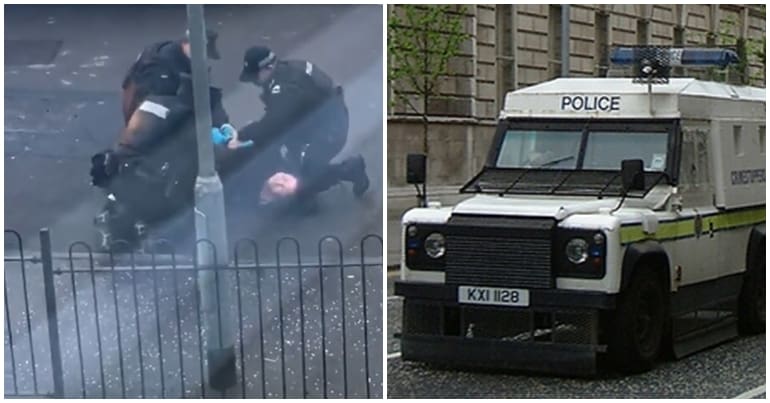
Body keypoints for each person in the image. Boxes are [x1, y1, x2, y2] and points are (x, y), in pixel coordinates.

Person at [232, 46, 370, 204]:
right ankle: (305, 187)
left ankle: (350, 170)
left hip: (330, 129)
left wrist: (243, 134)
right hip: (317, 122)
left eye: (255, 76)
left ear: (268, 68)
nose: (254, 82)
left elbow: (272, 124)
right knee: (289, 156)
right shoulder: (288, 70)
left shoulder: (286, 87)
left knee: (308, 173)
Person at [121, 29, 222, 125]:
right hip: (146, 112)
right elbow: (158, 105)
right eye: (203, 53)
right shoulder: (162, 65)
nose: (204, 59)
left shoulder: (179, 54)